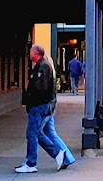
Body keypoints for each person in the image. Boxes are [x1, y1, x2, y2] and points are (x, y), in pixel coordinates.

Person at [16, 44, 76, 173]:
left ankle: (34, 162)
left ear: (36, 53)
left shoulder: (42, 67)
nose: (29, 54)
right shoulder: (44, 66)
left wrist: (30, 101)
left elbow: (39, 89)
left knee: (33, 133)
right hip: (46, 105)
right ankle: (62, 157)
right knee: (46, 132)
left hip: (40, 106)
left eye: (31, 51)